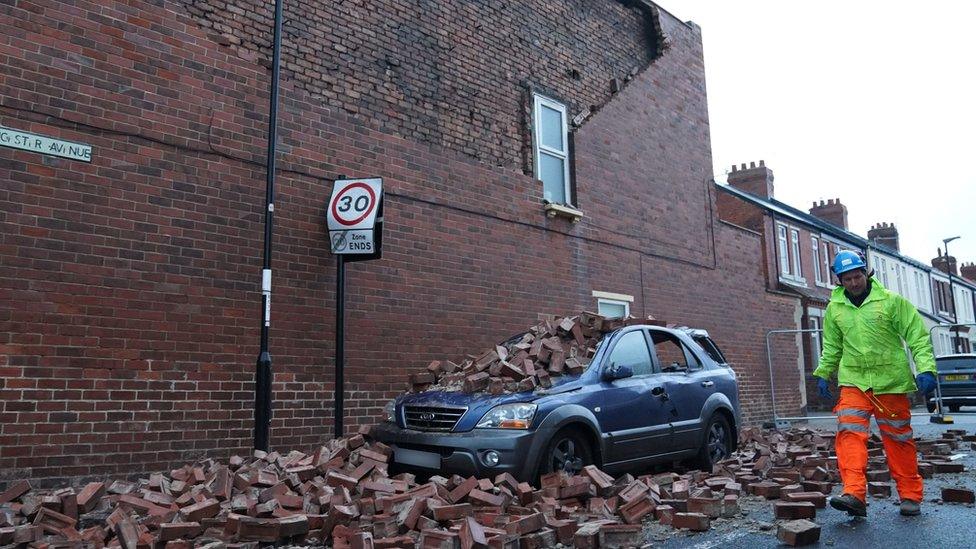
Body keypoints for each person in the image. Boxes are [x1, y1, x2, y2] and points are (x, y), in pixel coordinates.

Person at [812, 250, 937, 518]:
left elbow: (917, 335)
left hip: (889, 383)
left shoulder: (891, 302)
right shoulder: (835, 310)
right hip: (854, 383)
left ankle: (910, 496)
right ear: (839, 280)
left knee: (898, 439)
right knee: (849, 435)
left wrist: (926, 368)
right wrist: (824, 373)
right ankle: (854, 494)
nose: (854, 283)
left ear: (866, 273)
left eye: (858, 276)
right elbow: (832, 346)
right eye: (848, 279)